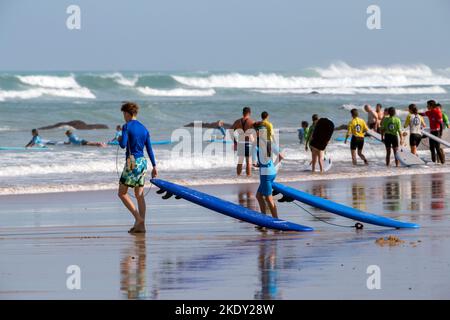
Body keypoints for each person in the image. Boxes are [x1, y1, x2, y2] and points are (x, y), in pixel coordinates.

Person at [118, 102, 158, 234]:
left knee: (122, 193)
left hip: (132, 163)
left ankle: (138, 218)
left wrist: (119, 138)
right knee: (139, 195)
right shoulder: (144, 128)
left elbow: (123, 145)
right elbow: (149, 149)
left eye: (124, 114)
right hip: (143, 162)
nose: (124, 116)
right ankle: (141, 226)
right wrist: (154, 166)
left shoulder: (126, 126)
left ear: (128, 113)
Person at [253, 123, 278, 228]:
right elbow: (281, 156)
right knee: (259, 196)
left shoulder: (257, 145)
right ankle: (263, 221)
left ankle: (276, 222)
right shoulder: (270, 143)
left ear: (259, 133)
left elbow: (255, 162)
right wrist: (271, 165)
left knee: (269, 199)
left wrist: (258, 164)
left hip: (265, 174)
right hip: (272, 172)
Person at [231, 107, 255, 176]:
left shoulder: (237, 121)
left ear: (243, 113)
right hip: (248, 143)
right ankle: (248, 178)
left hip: (240, 143)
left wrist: (234, 141)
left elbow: (231, 130)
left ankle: (238, 177)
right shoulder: (251, 122)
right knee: (248, 162)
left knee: (240, 161)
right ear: (249, 113)